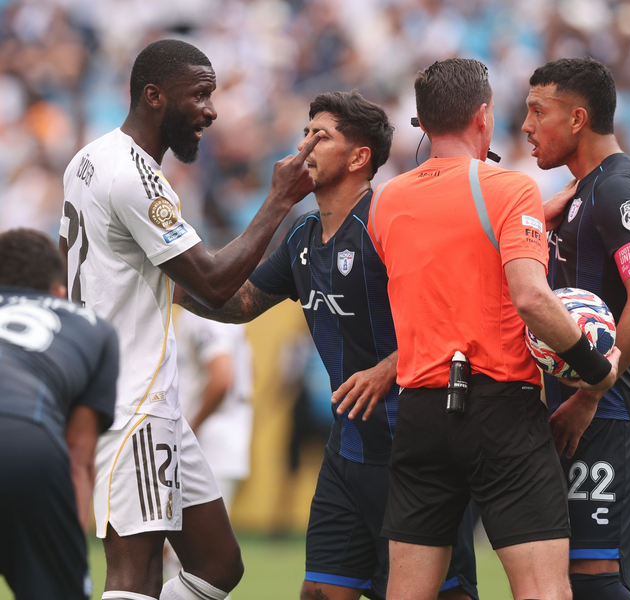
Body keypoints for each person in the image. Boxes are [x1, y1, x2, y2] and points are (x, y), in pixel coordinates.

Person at [176, 90, 479, 600]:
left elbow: (459, 320)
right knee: (319, 592)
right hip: (348, 453)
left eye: (323, 136)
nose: (304, 146)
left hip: (416, 451)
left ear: (360, 157)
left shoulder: (392, 223)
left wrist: (388, 368)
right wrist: (164, 278)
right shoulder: (302, 233)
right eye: (305, 132)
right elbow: (235, 302)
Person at [59, 39, 319, 600]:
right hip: (133, 399)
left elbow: (178, 286)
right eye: (199, 95)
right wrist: (280, 201)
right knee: (136, 575)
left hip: (150, 400)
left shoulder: (87, 159)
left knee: (219, 565)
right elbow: (215, 279)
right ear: (154, 96)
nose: (211, 110)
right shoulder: (136, 176)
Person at [368, 58, 621, 600]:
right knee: (542, 590)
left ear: (421, 121)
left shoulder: (385, 200)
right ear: (483, 116)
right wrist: (596, 373)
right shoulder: (511, 187)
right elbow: (531, 297)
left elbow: (439, 269)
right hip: (499, 408)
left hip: (419, 411)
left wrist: (523, 229)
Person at [523, 57, 630, 600]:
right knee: (560, 582)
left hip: (614, 413)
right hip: (579, 413)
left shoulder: (619, 188)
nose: (526, 126)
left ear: (579, 118)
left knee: (593, 584)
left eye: (539, 111)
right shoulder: (583, 192)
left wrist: (589, 393)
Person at [0, 228, 119, 600]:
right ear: (59, 291)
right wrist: (68, 554)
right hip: (26, 442)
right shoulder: (92, 327)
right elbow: (78, 460)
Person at [164, 307, 255, 582]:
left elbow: (222, 376)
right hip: (227, 438)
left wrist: (188, 429)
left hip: (208, 445)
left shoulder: (200, 314)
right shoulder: (226, 314)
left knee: (195, 565)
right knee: (204, 564)